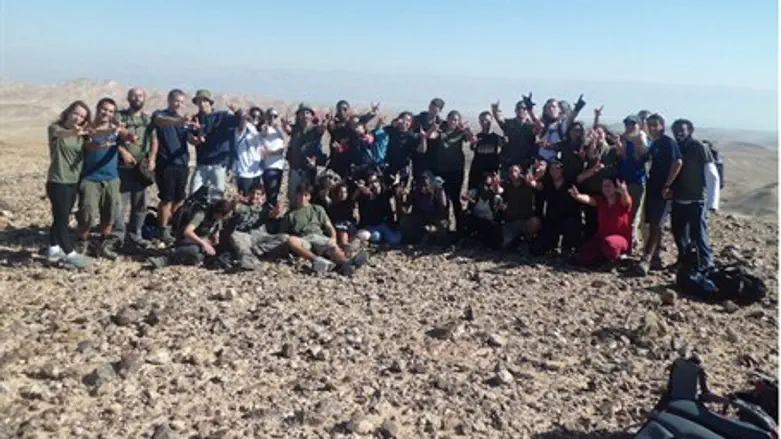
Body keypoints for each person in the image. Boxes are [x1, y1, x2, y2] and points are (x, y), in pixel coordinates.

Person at [76, 98, 127, 260]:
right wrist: (99, 144)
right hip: (90, 177)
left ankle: (104, 245)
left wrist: (128, 140)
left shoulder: (115, 129)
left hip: (111, 177)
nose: (107, 113)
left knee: (109, 212)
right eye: (104, 109)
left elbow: (123, 137)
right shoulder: (88, 128)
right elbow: (87, 145)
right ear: (98, 109)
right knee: (87, 213)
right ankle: (82, 244)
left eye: (111, 111)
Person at [280, 182, 368, 275]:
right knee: (291, 240)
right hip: (304, 239)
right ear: (296, 195)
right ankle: (316, 260)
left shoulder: (317, 209)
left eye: (306, 195)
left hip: (318, 236)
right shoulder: (290, 214)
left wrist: (333, 238)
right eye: (300, 195)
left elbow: (329, 226)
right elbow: (283, 234)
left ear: (309, 197)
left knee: (333, 248)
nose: (303, 198)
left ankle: (345, 263)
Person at [45, 101, 93, 268]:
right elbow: (62, 134)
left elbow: (93, 139)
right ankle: (70, 253)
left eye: (82, 117)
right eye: (76, 113)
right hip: (58, 181)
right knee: (62, 219)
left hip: (73, 181)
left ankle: (53, 250)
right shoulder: (55, 129)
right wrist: (75, 131)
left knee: (60, 215)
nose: (78, 118)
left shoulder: (82, 134)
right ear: (68, 112)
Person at [636, 113, 682, 276]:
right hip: (653, 187)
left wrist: (668, 185)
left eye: (656, 125)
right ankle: (656, 258)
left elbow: (678, 162)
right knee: (653, 223)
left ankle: (646, 259)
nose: (653, 128)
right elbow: (644, 158)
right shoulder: (654, 144)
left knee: (656, 223)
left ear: (662, 125)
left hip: (663, 189)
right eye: (650, 125)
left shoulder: (668, 143)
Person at [112, 87, 156, 253]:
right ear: (128, 98)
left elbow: (154, 140)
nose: (137, 98)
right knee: (120, 205)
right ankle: (118, 236)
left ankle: (135, 235)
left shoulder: (147, 120)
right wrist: (122, 151)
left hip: (141, 169)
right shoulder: (119, 117)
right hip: (122, 168)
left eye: (140, 96)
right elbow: (111, 137)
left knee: (140, 204)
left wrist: (151, 158)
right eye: (134, 96)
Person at [151, 89, 198, 244]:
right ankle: (162, 230)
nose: (178, 104)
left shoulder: (183, 121)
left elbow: (190, 139)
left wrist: (197, 137)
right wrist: (179, 122)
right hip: (165, 164)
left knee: (179, 198)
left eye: (181, 102)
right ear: (169, 100)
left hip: (182, 164)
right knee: (166, 199)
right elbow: (161, 122)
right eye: (176, 101)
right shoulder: (160, 115)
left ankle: (172, 225)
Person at [669, 119, 715, 270]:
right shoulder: (675, 147)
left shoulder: (699, 147)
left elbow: (711, 174)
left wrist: (712, 203)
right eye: (675, 130)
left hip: (696, 200)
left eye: (681, 130)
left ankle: (706, 264)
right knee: (679, 235)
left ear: (690, 130)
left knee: (699, 235)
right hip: (677, 199)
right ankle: (684, 261)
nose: (678, 133)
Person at [151, 198, 237, 268]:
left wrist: (213, 242)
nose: (227, 218)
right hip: (187, 239)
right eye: (226, 216)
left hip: (201, 241)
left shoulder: (217, 220)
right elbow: (187, 232)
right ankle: (167, 259)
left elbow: (214, 236)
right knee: (194, 251)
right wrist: (203, 243)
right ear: (220, 213)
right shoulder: (201, 215)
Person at [569, 178, 633, 269]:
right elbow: (589, 199)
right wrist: (577, 196)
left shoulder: (621, 200)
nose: (606, 188)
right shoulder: (601, 200)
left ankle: (618, 259)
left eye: (609, 186)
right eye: (604, 186)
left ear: (615, 188)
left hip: (620, 238)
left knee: (610, 244)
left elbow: (627, 201)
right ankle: (604, 260)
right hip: (601, 237)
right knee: (584, 254)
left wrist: (624, 191)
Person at [228, 183, 290, 270]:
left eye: (258, 194)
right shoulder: (241, 206)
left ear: (262, 197)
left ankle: (257, 250)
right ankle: (251, 263)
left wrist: (278, 208)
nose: (255, 196)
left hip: (261, 237)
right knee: (235, 237)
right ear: (249, 194)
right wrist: (235, 200)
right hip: (245, 235)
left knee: (285, 237)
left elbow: (272, 214)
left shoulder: (264, 209)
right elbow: (233, 208)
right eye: (253, 193)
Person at [190, 89, 242, 193]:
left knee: (217, 195)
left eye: (204, 101)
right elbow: (192, 139)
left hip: (218, 164)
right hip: (202, 164)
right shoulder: (195, 119)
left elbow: (239, 121)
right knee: (194, 193)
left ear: (210, 102)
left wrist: (237, 111)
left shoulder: (222, 116)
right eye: (199, 102)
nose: (201, 104)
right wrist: (199, 136)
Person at [432, 110, 475, 231]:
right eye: (451, 119)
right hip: (441, 170)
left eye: (456, 120)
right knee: (442, 200)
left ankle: (460, 229)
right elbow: (432, 136)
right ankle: (444, 228)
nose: (453, 122)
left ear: (459, 121)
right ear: (447, 119)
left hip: (456, 170)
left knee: (455, 199)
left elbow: (473, 140)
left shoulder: (460, 132)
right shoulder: (441, 130)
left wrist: (467, 130)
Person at [575, 125, 619, 241]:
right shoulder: (588, 150)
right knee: (590, 219)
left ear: (605, 134)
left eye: (600, 133)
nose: (598, 135)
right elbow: (591, 156)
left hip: (606, 192)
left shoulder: (612, 150)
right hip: (590, 189)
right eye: (596, 133)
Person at [530, 160, 582, 257]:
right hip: (552, 219)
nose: (555, 171)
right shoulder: (546, 184)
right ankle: (551, 245)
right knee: (536, 250)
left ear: (562, 170)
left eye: (557, 168)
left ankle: (568, 247)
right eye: (552, 169)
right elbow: (538, 198)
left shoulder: (571, 183)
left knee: (572, 224)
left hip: (569, 219)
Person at [617, 115, 650, 251]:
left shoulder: (643, 140)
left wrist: (638, 140)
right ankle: (629, 243)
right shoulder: (625, 140)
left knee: (634, 216)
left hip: (637, 182)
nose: (629, 127)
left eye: (633, 124)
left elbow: (643, 155)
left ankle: (631, 245)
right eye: (627, 124)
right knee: (625, 214)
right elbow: (621, 156)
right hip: (624, 181)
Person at [283, 103, 327, 203]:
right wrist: (284, 124)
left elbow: (322, 129)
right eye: (302, 113)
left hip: (309, 170)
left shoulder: (315, 129)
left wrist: (325, 123)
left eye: (307, 113)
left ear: (311, 116)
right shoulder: (295, 129)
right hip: (295, 169)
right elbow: (287, 129)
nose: (305, 115)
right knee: (293, 197)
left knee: (309, 197)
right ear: (298, 116)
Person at [326, 100, 379, 178]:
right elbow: (331, 128)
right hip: (337, 160)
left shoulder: (353, 120)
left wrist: (373, 112)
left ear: (349, 109)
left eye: (345, 109)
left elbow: (365, 118)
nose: (342, 112)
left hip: (352, 160)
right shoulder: (334, 123)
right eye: (339, 109)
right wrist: (329, 122)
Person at [491, 96, 540, 173]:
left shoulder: (531, 126)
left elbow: (540, 126)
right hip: (509, 163)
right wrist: (495, 110)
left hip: (526, 163)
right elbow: (500, 120)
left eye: (524, 109)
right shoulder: (509, 123)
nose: (521, 110)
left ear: (527, 111)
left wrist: (531, 109)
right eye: (519, 108)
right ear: (515, 110)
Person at [399, 172, 450, 244]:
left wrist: (435, 225)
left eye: (426, 185)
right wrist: (403, 197)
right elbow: (407, 207)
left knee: (442, 226)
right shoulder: (416, 192)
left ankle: (435, 240)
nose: (423, 188)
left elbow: (443, 209)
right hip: (421, 216)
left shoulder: (438, 191)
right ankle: (415, 239)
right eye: (421, 185)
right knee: (404, 222)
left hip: (435, 216)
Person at [499, 165, 541, 249]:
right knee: (504, 245)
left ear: (520, 173)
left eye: (515, 171)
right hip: (510, 222)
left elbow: (539, 187)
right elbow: (499, 192)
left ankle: (527, 240)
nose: (513, 174)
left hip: (524, 221)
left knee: (535, 222)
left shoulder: (528, 186)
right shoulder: (506, 185)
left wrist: (533, 184)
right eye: (510, 172)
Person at [355, 171, 402, 245]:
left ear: (379, 181)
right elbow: (353, 199)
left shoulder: (385, 192)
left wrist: (397, 179)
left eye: (375, 181)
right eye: (370, 182)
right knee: (375, 237)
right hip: (370, 226)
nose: (373, 184)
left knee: (395, 240)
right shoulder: (364, 195)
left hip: (383, 225)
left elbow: (395, 187)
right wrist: (360, 188)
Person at [538, 94, 587, 161]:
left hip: (556, 162)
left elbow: (571, 118)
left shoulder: (561, 125)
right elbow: (534, 119)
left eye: (553, 107)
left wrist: (577, 108)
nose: (551, 109)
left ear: (559, 110)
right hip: (541, 160)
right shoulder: (543, 124)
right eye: (548, 107)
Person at [462, 172, 504, 248]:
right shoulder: (475, 192)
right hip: (476, 218)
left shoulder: (496, 196)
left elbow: (501, 202)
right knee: (465, 215)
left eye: (488, 186)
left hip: (489, 220)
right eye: (483, 184)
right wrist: (470, 199)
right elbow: (464, 196)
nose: (485, 188)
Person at [384, 111, 422, 188]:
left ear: (411, 123)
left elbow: (421, 150)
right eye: (403, 119)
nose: (405, 122)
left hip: (403, 170)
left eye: (408, 121)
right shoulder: (390, 130)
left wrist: (424, 138)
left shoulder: (412, 136)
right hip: (388, 167)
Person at [467, 111, 504, 191]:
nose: (484, 122)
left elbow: (505, 151)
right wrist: (473, 142)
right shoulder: (477, 137)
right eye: (482, 120)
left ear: (491, 121)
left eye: (486, 120)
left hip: (491, 173)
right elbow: (473, 147)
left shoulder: (497, 138)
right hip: (476, 173)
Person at [411, 98, 446, 180]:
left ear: (439, 111)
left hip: (434, 159)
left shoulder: (441, 124)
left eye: (435, 110)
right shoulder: (417, 120)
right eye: (431, 108)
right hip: (419, 157)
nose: (432, 111)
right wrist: (429, 132)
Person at [259, 107, 286, 207]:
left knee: (274, 194)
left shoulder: (278, 130)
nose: (272, 118)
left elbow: (284, 142)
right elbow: (263, 133)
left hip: (279, 166)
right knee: (271, 195)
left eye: (275, 116)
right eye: (270, 116)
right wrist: (275, 152)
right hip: (269, 166)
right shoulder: (265, 128)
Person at [233, 108, 263, 196]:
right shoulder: (242, 130)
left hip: (257, 172)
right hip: (244, 173)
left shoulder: (257, 131)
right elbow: (241, 127)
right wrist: (243, 118)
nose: (256, 119)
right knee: (244, 199)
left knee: (255, 198)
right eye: (254, 116)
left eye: (259, 117)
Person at [327, 181, 357, 250]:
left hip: (349, 226)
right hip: (337, 226)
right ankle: (344, 245)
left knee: (343, 227)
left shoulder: (349, 202)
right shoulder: (332, 205)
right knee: (340, 226)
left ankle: (344, 244)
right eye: (341, 192)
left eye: (345, 192)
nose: (343, 194)